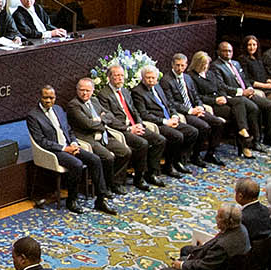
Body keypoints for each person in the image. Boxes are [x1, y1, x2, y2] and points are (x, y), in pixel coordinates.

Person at [26, 83, 114, 214]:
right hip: (54, 151)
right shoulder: (33, 116)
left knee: (95, 159)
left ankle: (101, 199)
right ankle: (71, 200)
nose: (49, 101)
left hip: (70, 146)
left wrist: (73, 143)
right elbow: (41, 141)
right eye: (45, 98)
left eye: (51, 98)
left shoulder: (58, 109)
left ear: (55, 97)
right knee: (77, 164)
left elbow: (68, 130)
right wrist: (64, 148)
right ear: (40, 97)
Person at [69, 74, 150, 190]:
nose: (84, 93)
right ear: (77, 90)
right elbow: (88, 125)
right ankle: (106, 186)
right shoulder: (74, 105)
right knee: (108, 157)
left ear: (92, 91)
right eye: (81, 90)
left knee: (125, 152)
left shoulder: (95, 100)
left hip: (103, 135)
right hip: (88, 138)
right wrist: (102, 121)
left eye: (87, 90)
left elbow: (109, 116)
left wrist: (100, 119)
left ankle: (115, 182)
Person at [135, 62, 207, 170]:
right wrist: (165, 121)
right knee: (177, 136)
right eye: (148, 78)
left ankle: (178, 160)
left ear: (156, 78)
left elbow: (169, 104)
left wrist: (174, 115)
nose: (150, 80)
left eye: (153, 78)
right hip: (158, 123)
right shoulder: (138, 92)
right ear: (142, 78)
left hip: (169, 119)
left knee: (193, 132)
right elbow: (144, 114)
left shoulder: (158, 87)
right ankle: (168, 165)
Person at [163, 51, 229, 163]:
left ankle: (210, 153)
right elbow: (171, 102)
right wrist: (190, 110)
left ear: (186, 65)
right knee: (204, 127)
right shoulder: (166, 80)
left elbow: (196, 96)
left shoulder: (188, 78)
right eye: (177, 65)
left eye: (182, 65)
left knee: (219, 123)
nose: (180, 68)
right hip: (184, 112)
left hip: (195, 109)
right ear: (172, 65)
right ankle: (196, 156)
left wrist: (199, 107)